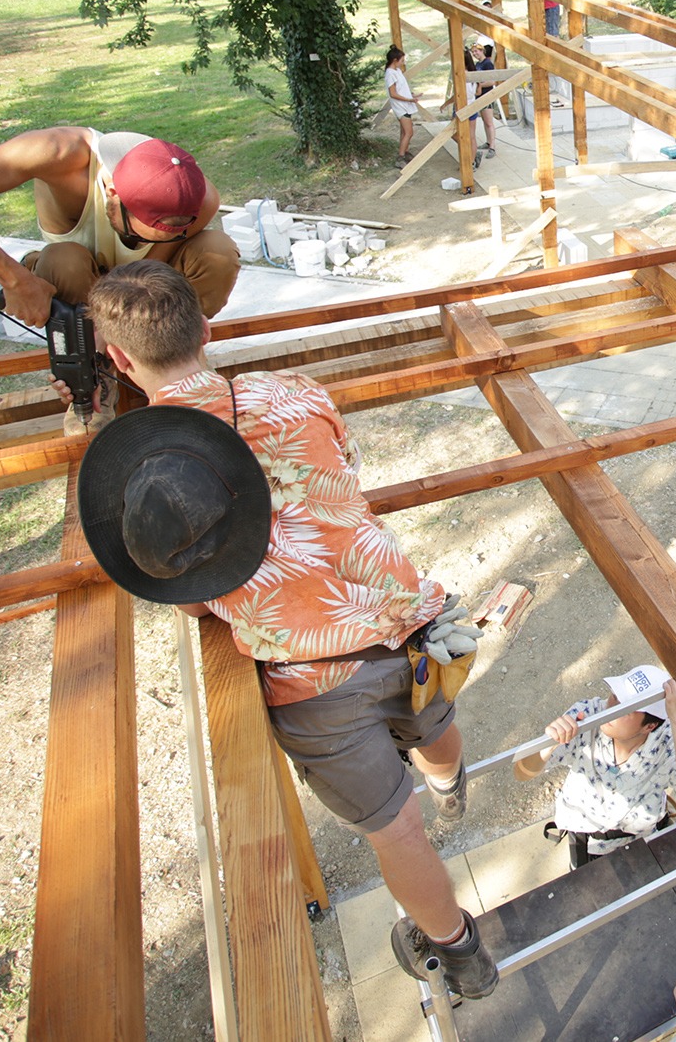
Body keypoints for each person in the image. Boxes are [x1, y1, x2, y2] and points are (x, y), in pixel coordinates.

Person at [74, 261, 497, 998]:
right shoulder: (293, 392)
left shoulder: (149, 467)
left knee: (394, 830)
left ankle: (459, 952)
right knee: (432, 716)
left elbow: (194, 598)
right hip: (403, 617)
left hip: (311, 678)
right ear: (205, 327)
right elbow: (347, 477)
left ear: (115, 357)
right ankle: (452, 786)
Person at [0, 127, 239, 329]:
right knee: (65, 260)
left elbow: (149, 276)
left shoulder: (200, 199)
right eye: (134, 235)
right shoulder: (60, 154)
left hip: (140, 280)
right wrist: (15, 280)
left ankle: (174, 352)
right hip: (74, 275)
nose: (137, 242)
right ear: (113, 195)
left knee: (217, 253)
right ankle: (92, 376)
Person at [517, 663, 676, 868]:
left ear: (650, 726)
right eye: (615, 695)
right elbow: (522, 773)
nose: (611, 708)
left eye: (625, 709)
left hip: (644, 841)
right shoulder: (587, 716)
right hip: (587, 843)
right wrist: (548, 745)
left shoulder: (666, 741)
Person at [384, 46, 421, 162]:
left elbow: (400, 88)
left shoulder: (397, 71)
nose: (402, 63)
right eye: (401, 61)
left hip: (405, 104)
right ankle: (400, 157)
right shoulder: (390, 74)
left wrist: (411, 95)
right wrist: (408, 99)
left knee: (405, 131)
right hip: (401, 107)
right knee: (409, 132)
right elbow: (393, 93)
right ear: (395, 60)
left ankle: (405, 151)